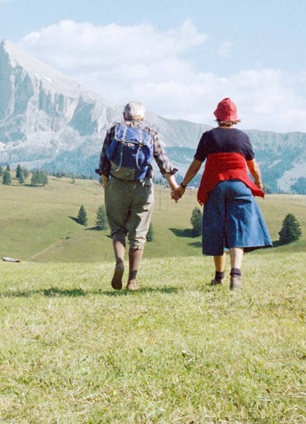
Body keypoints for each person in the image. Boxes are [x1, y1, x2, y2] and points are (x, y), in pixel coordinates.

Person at [173, 98, 272, 290]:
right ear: (235, 119)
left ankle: (219, 277)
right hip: (240, 186)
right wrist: (258, 183)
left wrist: (183, 185)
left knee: (217, 230)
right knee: (238, 231)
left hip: (216, 187)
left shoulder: (209, 137)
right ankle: (236, 275)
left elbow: (196, 165)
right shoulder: (243, 137)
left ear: (217, 117)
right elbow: (253, 166)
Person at [97, 101, 180, 291]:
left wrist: (107, 185)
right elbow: (163, 162)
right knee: (138, 234)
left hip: (117, 184)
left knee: (118, 229)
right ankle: (132, 281)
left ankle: (119, 263)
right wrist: (175, 188)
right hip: (142, 187)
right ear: (142, 117)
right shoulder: (150, 132)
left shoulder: (113, 131)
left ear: (124, 116)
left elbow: (103, 162)